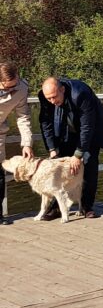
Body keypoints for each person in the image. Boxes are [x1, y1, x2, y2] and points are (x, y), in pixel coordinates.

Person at [38, 77, 103, 220]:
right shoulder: (44, 97)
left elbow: (87, 126)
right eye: (48, 98)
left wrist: (78, 155)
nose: (52, 101)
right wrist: (52, 148)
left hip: (92, 130)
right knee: (61, 166)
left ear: (62, 90)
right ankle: (58, 208)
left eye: (54, 97)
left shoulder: (81, 93)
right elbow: (45, 123)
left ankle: (86, 207)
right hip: (66, 130)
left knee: (88, 164)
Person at [0, 62, 34, 225]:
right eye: (6, 88)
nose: (10, 91)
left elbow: (23, 116)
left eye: (13, 86)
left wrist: (26, 143)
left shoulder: (21, 88)